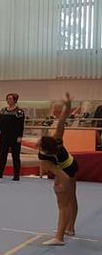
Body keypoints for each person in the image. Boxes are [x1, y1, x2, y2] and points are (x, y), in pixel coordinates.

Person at [38, 93, 79, 246]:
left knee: (63, 204)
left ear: (44, 150)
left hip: (65, 172)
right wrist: (67, 106)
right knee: (72, 198)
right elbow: (62, 119)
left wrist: (60, 187)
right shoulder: (57, 138)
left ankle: (59, 237)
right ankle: (70, 228)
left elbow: (64, 177)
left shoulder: (46, 162)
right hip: (72, 164)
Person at [0, 93, 26, 180]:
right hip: (4, 136)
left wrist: (20, 136)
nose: (8, 100)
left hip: (15, 136)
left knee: (15, 156)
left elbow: (21, 125)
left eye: (10, 99)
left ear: (15, 100)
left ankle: (16, 175)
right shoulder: (3, 110)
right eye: (7, 99)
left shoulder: (19, 112)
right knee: (2, 155)